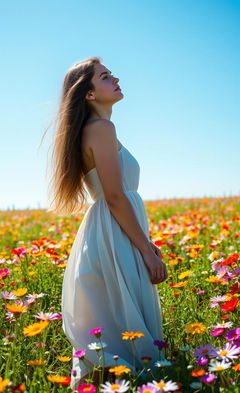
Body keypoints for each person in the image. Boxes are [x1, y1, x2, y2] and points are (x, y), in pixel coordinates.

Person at [47, 56, 168, 390]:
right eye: (105, 76)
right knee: (123, 333)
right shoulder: (101, 128)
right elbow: (115, 196)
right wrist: (145, 249)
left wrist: (145, 241)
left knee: (114, 327)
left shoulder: (94, 129)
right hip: (115, 232)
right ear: (87, 93)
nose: (115, 79)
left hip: (110, 230)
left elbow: (115, 198)